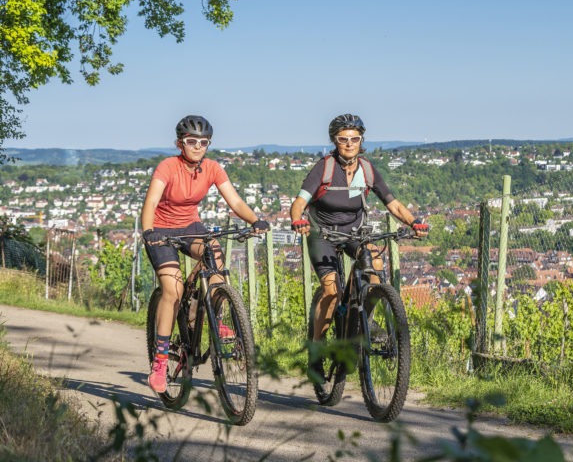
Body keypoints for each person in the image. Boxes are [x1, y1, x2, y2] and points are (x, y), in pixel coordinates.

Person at [141, 115, 269, 394]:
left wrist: (254, 221)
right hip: (161, 231)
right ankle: (160, 361)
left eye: (203, 142)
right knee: (172, 290)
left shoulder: (211, 168)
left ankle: (215, 318)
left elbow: (234, 201)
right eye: (191, 141)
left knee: (213, 253)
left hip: (190, 227)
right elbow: (151, 201)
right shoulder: (167, 167)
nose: (197, 146)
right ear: (180, 143)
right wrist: (149, 232)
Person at [289, 114, 428, 349]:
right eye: (344, 139)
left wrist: (414, 222)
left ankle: (367, 320)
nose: (350, 143)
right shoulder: (324, 168)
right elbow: (299, 203)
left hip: (354, 233)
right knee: (331, 290)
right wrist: (297, 220)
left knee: (374, 263)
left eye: (355, 138)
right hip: (323, 235)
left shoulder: (367, 170)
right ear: (335, 141)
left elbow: (392, 203)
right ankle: (317, 345)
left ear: (361, 140)